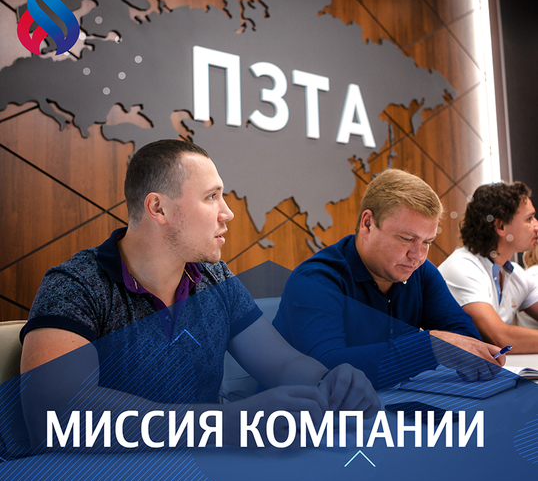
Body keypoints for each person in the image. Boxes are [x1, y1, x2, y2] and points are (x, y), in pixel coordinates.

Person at [19, 139, 379, 451]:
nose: (228, 213)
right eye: (211, 197)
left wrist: (329, 382)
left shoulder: (216, 279)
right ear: (158, 208)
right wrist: (222, 424)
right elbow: (52, 415)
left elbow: (281, 363)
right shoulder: (76, 283)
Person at [273, 169, 504, 389]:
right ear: (368, 224)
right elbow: (327, 370)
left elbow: (465, 340)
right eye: (406, 238)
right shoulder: (315, 279)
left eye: (427, 242)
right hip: (297, 413)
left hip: (385, 406)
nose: (418, 255)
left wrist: (447, 348)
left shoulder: (420, 272)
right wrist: (429, 346)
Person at [439, 181, 538, 352]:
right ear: (500, 226)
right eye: (529, 219)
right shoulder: (462, 267)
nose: (536, 226)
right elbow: (500, 337)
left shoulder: (515, 274)